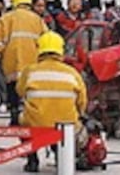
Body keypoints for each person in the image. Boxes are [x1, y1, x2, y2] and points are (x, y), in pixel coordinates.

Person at [16, 32, 88, 173]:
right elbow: (82, 101)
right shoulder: (72, 73)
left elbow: (20, 91)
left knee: (21, 118)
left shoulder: (29, 71)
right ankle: (62, 157)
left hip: (36, 125)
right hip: (65, 128)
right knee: (72, 127)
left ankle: (32, 160)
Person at [0, 0, 47, 125]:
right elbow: (45, 38)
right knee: (30, 91)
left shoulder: (6, 18)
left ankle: (14, 116)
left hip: (12, 61)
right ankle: (30, 117)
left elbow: (0, 39)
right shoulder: (37, 19)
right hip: (32, 62)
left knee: (12, 90)